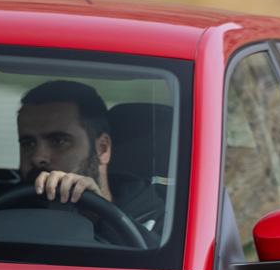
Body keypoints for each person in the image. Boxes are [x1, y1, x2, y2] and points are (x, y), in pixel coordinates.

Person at [17, 79, 169, 238]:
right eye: (28, 143)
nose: (37, 157)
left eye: (58, 141)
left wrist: (101, 216)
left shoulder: (164, 223)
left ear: (102, 149)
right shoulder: (4, 211)